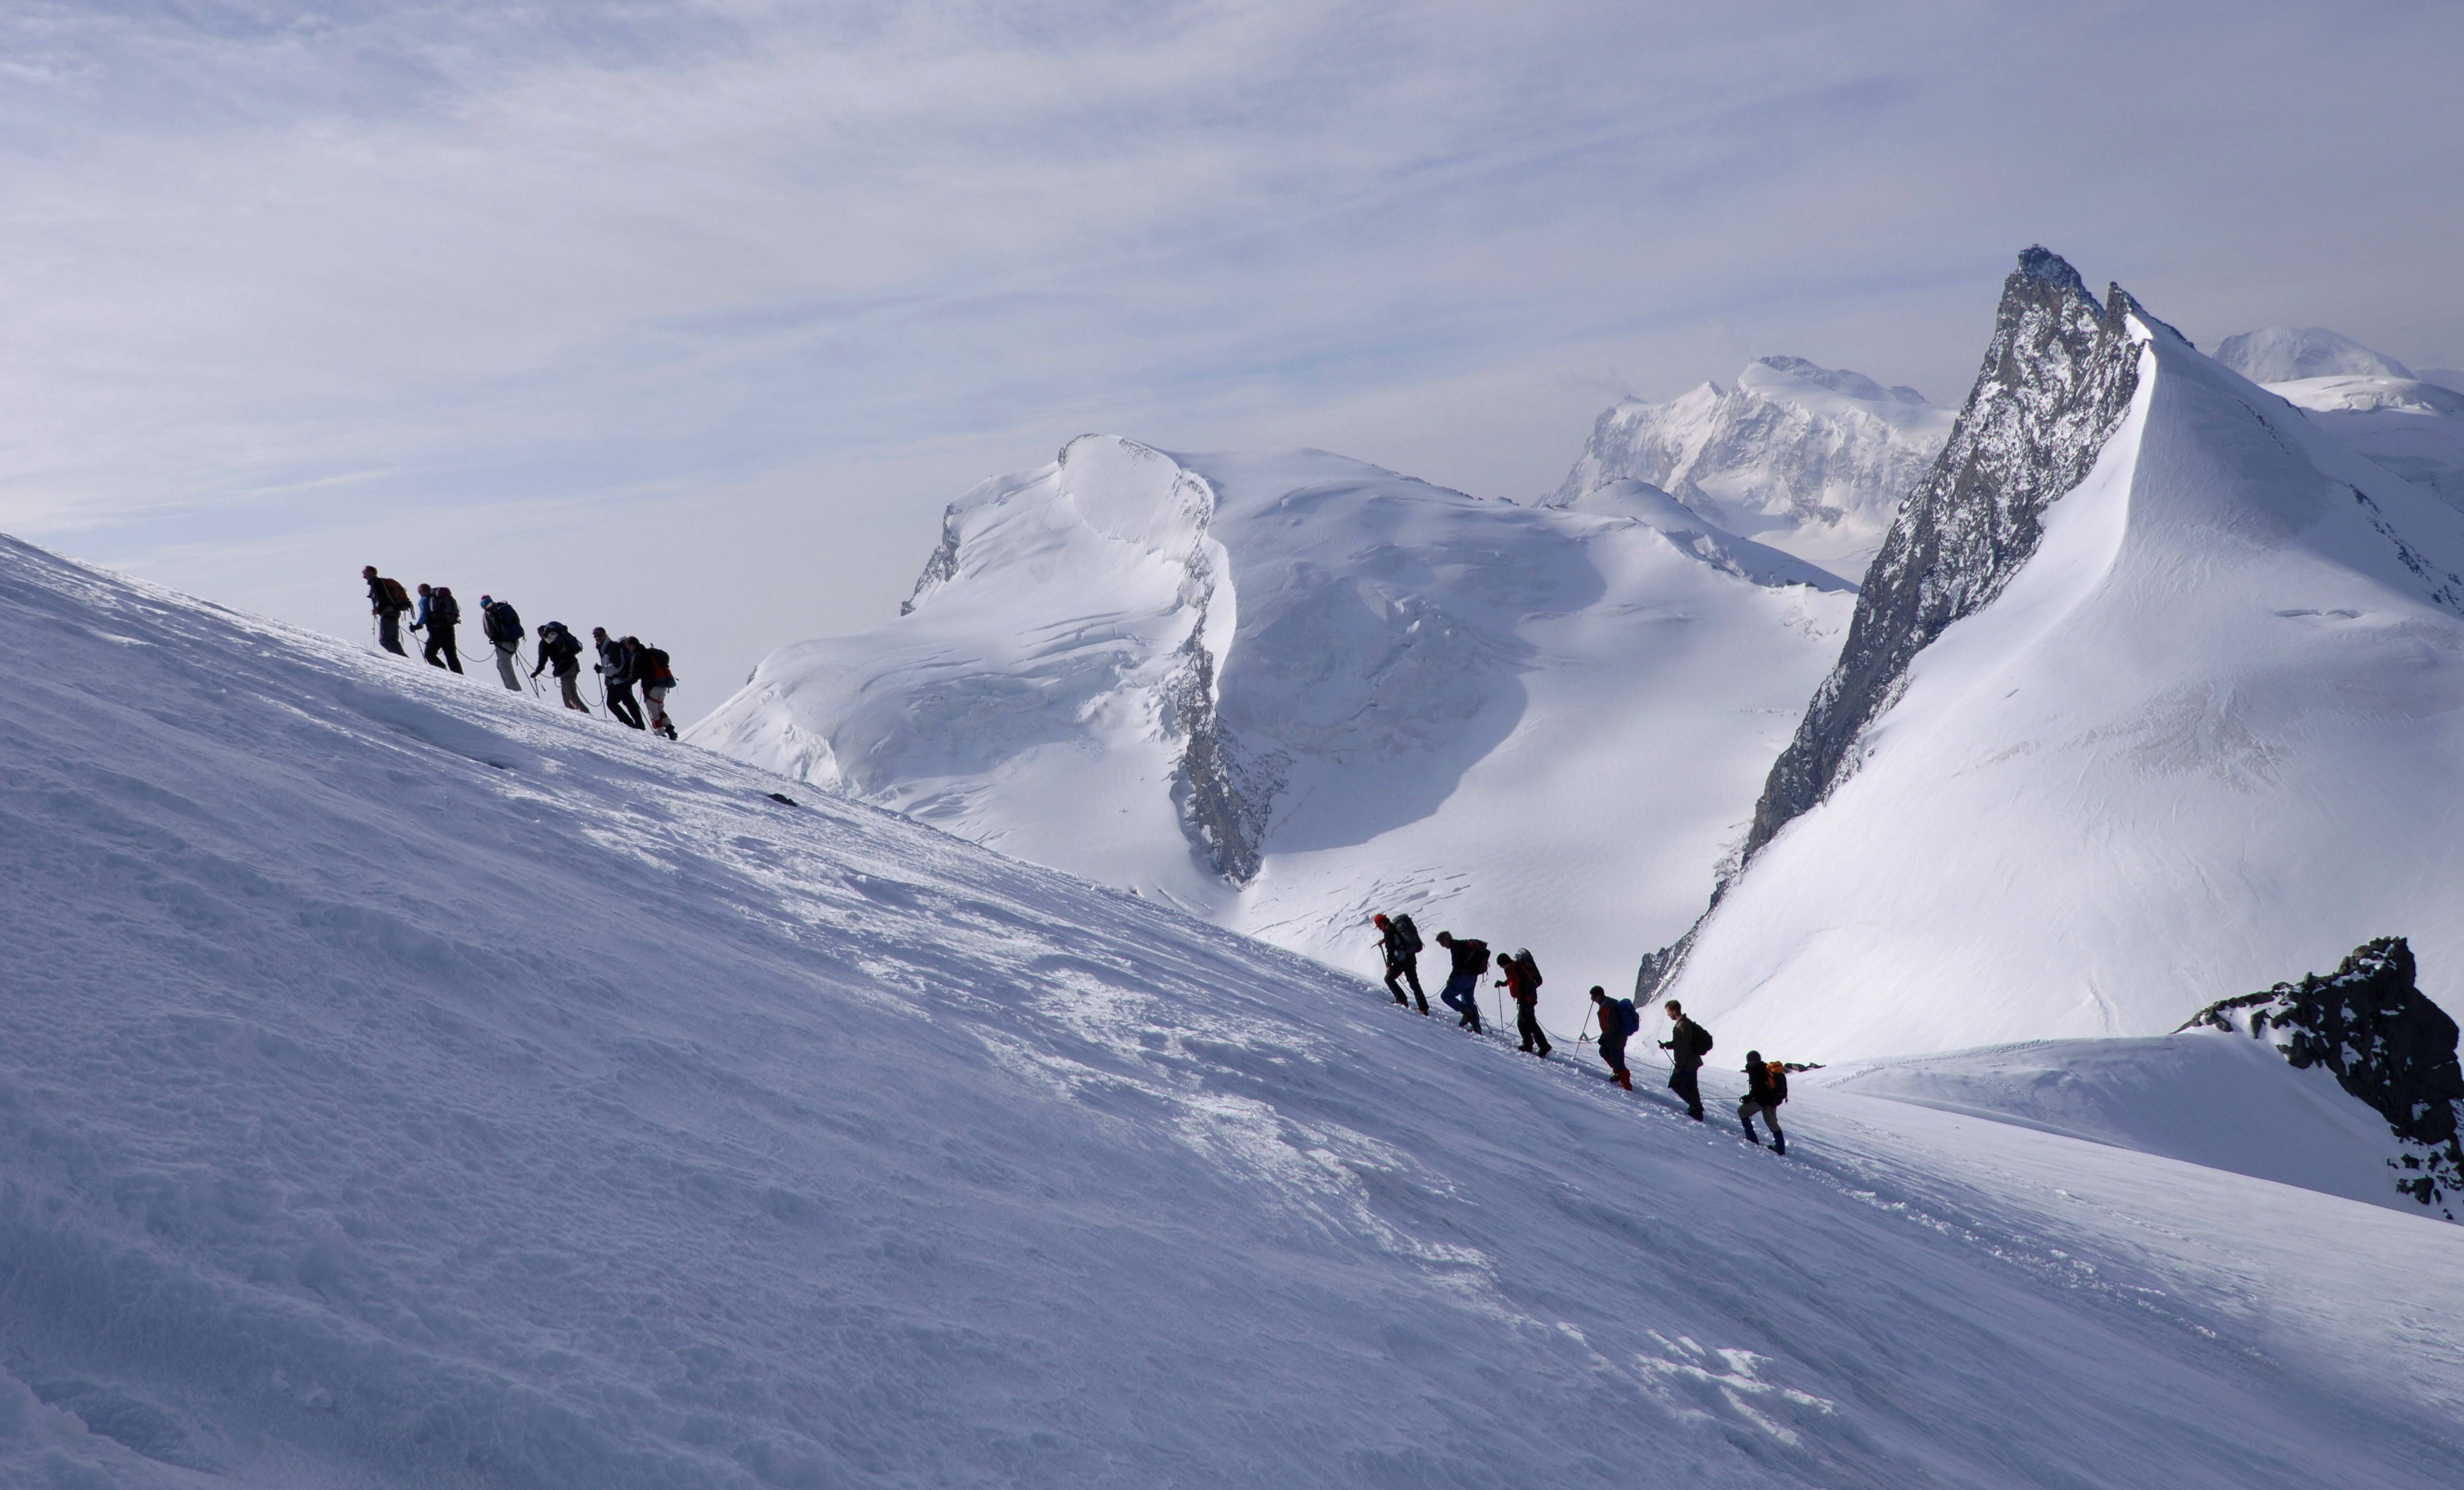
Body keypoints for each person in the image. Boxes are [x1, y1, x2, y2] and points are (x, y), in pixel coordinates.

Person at [1660, 999, 1712, 1120]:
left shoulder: (1682, 1025)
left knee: (1675, 1084)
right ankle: (1697, 1113)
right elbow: (1680, 1043)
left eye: (1668, 1012)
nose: (1668, 1015)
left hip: (1687, 1063)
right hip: (1693, 1061)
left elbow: (1683, 1046)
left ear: (1674, 1011)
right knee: (1692, 1087)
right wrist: (1667, 1045)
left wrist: (1680, 1065)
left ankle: (1696, 1106)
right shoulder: (1684, 1023)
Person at [1431, 931, 1488, 1032]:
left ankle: (1465, 1012)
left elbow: (1457, 966)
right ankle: (1476, 1028)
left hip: (1463, 977)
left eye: (1442, 943)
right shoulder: (1463, 945)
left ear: (1447, 939)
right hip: (1472, 977)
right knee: (1469, 1001)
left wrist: (1451, 978)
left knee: (1446, 996)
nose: (1442, 946)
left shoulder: (1455, 947)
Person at [1497, 949, 1550, 1057]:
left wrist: (1527, 1001)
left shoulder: (1518, 967)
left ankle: (1530, 1044)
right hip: (1524, 1000)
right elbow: (1513, 980)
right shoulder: (1510, 969)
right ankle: (1542, 1045)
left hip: (1528, 1000)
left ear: (1506, 962)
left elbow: (1529, 983)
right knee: (1530, 1022)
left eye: (1502, 966)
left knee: (1522, 1023)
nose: (1502, 968)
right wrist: (1503, 983)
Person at [1373, 913, 1427, 1013]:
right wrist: (1385, 940)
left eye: (1379, 926)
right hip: (1411, 958)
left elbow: (1390, 950)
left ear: (1382, 923)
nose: (1380, 929)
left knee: (1389, 978)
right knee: (1415, 984)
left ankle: (1402, 1000)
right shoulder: (1394, 927)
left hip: (1402, 961)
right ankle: (1423, 1008)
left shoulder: (1389, 932)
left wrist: (1389, 965)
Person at [593, 627, 644, 729]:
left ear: (605, 635)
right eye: (596, 636)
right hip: (615, 682)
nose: (598, 638)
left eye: (600, 635)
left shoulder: (612, 647)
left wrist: (602, 670)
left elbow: (618, 667)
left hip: (621, 681)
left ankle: (637, 726)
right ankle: (632, 725)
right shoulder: (604, 648)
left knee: (627, 703)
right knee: (614, 704)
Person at [532, 621, 589, 713]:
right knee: (566, 693)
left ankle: (586, 714)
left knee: (571, 694)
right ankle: (574, 715)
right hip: (574, 665)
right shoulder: (560, 636)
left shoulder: (545, 643)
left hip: (565, 668)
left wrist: (537, 672)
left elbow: (543, 660)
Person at [629, 636, 678, 739]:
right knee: (660, 709)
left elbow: (635, 675)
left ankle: (660, 735)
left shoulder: (638, 656)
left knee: (654, 712)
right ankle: (670, 728)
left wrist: (627, 683)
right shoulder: (652, 653)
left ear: (632, 646)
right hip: (663, 685)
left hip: (651, 688)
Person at [1739, 1051, 1788, 1154]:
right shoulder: (1765, 1068)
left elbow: (1758, 1088)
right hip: (1772, 1101)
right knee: (1773, 1124)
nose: (1748, 1062)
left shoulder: (1757, 1070)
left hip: (1763, 1101)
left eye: (1749, 1060)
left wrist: (1749, 1097)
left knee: (1742, 1111)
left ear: (1754, 1060)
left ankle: (1752, 1138)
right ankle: (1780, 1149)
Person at [410, 583, 463, 673]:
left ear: (421, 592)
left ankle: (443, 672)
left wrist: (417, 626)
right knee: (452, 656)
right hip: (450, 629)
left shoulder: (425, 600)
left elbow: (424, 616)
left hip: (437, 631)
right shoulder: (440, 599)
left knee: (430, 654)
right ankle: (460, 676)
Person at [1589, 986, 1633, 1090]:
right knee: (1604, 1051)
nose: (1592, 999)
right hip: (1617, 1037)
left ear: (1599, 996)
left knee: (1618, 1062)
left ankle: (1627, 1086)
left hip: (1616, 1039)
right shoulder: (1610, 1002)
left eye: (1594, 997)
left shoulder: (1606, 1008)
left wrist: (1603, 1038)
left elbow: (1611, 1027)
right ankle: (1618, 1074)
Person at [479, 595, 525, 691]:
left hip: (503, 644)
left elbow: (488, 631)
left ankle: (515, 691)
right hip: (515, 641)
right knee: (503, 665)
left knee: (505, 667)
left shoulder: (488, 614)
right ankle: (513, 690)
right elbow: (517, 620)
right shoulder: (504, 607)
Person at [363, 565, 411, 655]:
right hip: (394, 612)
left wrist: (379, 610)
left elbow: (383, 598)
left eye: (365, 571)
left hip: (388, 613)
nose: (363, 573)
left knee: (385, 640)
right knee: (393, 640)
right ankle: (404, 660)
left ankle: (404, 660)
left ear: (371, 573)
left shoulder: (376, 583)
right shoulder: (377, 582)